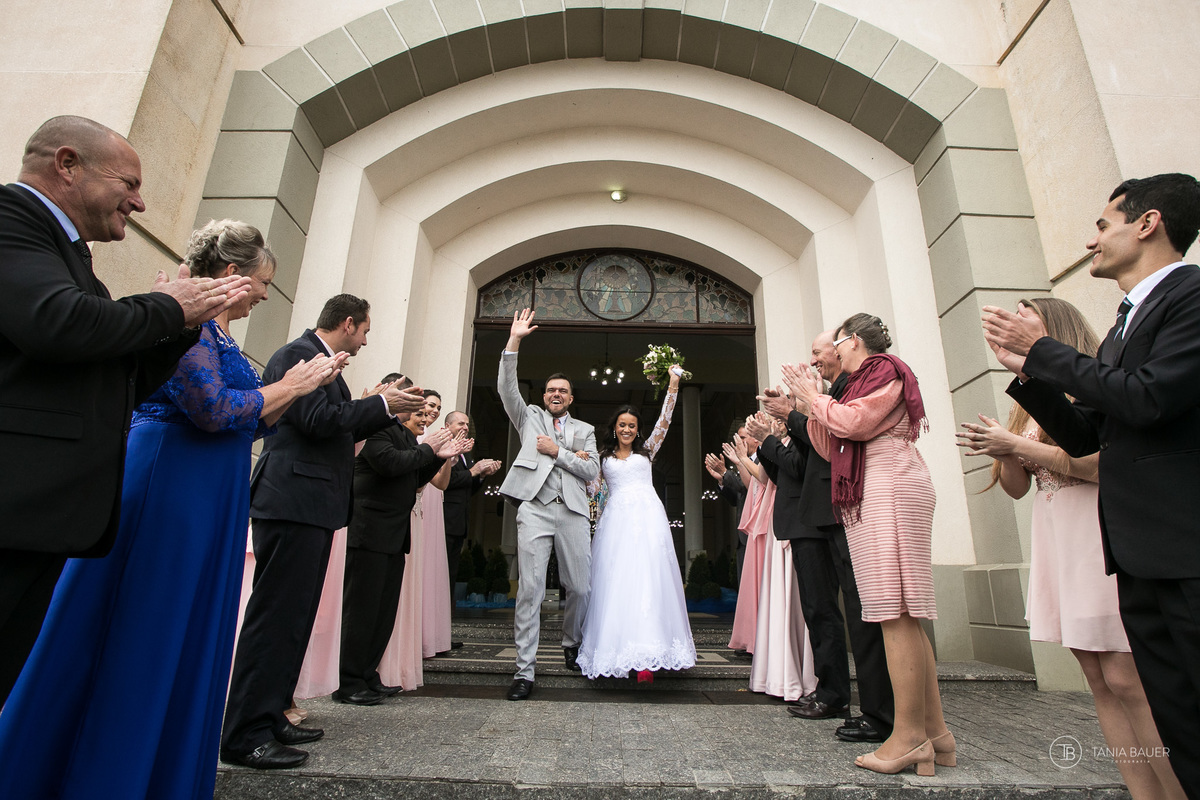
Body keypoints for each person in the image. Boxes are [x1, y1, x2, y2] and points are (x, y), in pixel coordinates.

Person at [0, 220, 336, 798]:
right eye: (261, 281)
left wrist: (282, 396)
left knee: (187, 628)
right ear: (231, 275)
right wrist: (294, 386)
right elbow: (211, 409)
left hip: (210, 485)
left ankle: (160, 770)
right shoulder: (191, 324)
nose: (263, 293)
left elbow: (248, 415)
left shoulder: (221, 334)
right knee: (144, 625)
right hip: (169, 484)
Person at [0, 115, 250, 702]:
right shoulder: (12, 220)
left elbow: (119, 379)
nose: (139, 203)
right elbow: (56, 322)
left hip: (41, 513)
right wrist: (168, 305)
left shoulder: (72, 254)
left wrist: (183, 325)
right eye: (129, 184)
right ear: (67, 165)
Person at [983, 173, 1200, 796]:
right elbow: (1090, 436)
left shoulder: (1190, 297)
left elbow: (1151, 398)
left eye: (1103, 224)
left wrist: (1046, 351)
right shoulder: (1122, 326)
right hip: (1136, 554)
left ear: (1148, 223)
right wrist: (1030, 375)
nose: (1091, 238)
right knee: (1177, 720)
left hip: (1184, 545)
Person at [961, 297, 1184, 800]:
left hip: (1097, 526)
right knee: (1097, 678)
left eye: (1024, 313)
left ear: (1053, 326)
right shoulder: (1030, 395)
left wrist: (1016, 445)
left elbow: (1097, 464)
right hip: (1054, 529)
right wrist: (1002, 447)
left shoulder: (1092, 382)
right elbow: (1017, 487)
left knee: (1128, 678)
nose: (1013, 320)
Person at [220, 294, 425, 770]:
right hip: (291, 500)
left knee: (294, 618)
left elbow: (334, 423)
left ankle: (271, 715)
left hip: (311, 505)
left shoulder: (323, 362)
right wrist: (381, 404)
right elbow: (316, 421)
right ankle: (244, 732)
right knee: (274, 619)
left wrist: (377, 406)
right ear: (348, 323)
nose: (367, 338)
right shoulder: (297, 355)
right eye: (366, 329)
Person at [790, 313, 950, 777]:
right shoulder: (856, 380)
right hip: (870, 491)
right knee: (896, 614)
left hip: (892, 487)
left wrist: (812, 397)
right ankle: (935, 734)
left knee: (894, 613)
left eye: (835, 343)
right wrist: (809, 405)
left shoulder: (883, 368)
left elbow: (854, 422)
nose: (830, 353)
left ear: (853, 341)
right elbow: (829, 441)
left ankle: (907, 737)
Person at [758, 330, 895, 742]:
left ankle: (877, 709)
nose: (815, 359)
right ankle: (834, 692)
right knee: (821, 610)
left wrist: (793, 414)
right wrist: (791, 413)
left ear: (844, 347)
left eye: (819, 351)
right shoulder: (830, 393)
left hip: (842, 511)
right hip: (815, 514)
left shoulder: (849, 390)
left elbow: (823, 445)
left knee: (858, 613)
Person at [337, 386, 467, 704]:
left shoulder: (404, 434)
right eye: (409, 398)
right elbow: (390, 464)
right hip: (369, 531)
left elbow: (416, 477)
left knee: (382, 612)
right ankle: (349, 682)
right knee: (361, 611)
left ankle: (368, 674)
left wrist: (439, 457)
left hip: (394, 534)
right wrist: (431, 450)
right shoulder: (377, 428)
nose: (417, 406)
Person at [497, 308, 600, 701]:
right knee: (531, 590)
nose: (555, 394)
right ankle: (524, 671)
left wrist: (558, 451)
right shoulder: (529, 419)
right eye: (550, 390)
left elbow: (591, 473)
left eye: (563, 391)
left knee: (580, 587)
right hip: (535, 509)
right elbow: (508, 388)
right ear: (543, 396)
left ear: (571, 398)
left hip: (573, 511)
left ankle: (572, 642)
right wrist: (515, 341)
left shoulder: (584, 430)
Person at [577, 366, 696, 680]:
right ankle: (617, 651)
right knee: (617, 580)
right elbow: (593, 490)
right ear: (614, 428)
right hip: (616, 523)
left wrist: (673, 383)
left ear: (638, 429)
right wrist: (579, 461)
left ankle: (649, 655)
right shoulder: (603, 458)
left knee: (649, 577)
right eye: (622, 425)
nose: (627, 429)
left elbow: (665, 420)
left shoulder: (649, 451)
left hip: (648, 520)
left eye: (632, 425)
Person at [742, 411, 817, 702]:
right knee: (779, 600)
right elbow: (771, 476)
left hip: (794, 521)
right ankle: (779, 673)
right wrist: (763, 444)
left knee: (795, 603)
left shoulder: (798, 438)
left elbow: (789, 470)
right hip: (780, 521)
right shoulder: (779, 442)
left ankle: (801, 675)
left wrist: (765, 442)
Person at [443, 411, 501, 595]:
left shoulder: (464, 455)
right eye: (460, 424)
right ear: (447, 427)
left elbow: (467, 489)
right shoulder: (443, 448)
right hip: (444, 520)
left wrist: (481, 475)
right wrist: (473, 471)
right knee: (441, 570)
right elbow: (445, 482)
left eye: (467, 424)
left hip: (459, 522)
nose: (466, 428)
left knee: (450, 573)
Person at [417, 390, 455, 657]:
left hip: (429, 497)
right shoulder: (414, 436)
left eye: (437, 407)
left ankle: (427, 634)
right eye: (430, 405)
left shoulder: (437, 439)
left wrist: (448, 459)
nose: (433, 411)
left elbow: (441, 483)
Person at [724, 426, 765, 654]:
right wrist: (723, 478)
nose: (739, 440)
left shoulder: (762, 456)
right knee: (746, 590)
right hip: (745, 531)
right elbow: (738, 497)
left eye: (742, 436)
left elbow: (751, 485)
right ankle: (749, 639)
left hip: (762, 528)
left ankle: (758, 640)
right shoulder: (747, 459)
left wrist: (735, 466)